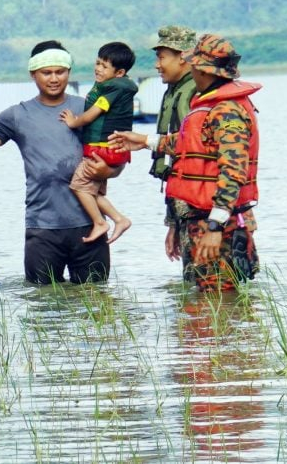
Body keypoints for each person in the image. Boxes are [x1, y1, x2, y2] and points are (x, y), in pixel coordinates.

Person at [109, 34, 260, 291]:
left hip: (217, 223)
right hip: (203, 218)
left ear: (204, 70)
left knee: (217, 298)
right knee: (207, 298)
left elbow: (234, 171)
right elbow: (191, 145)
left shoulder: (226, 110)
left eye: (194, 65)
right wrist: (145, 141)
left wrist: (215, 226)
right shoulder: (213, 105)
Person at [0, 41, 116, 284]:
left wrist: (109, 170)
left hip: (89, 224)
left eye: (60, 72)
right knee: (42, 305)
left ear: (69, 72)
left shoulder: (88, 109)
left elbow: (116, 157)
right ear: (33, 74)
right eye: (47, 73)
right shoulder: (18, 115)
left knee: (97, 301)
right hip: (42, 227)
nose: (54, 79)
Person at [58, 42, 138, 243]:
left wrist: (73, 121)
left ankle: (101, 222)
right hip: (114, 150)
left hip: (104, 149)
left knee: (78, 186)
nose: (98, 69)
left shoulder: (111, 91)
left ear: (119, 73)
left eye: (104, 66)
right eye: (97, 63)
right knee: (91, 190)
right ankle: (120, 219)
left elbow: (92, 114)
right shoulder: (116, 87)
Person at [147, 25, 198, 262]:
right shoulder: (175, 90)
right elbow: (175, 167)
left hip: (199, 207)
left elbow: (193, 147)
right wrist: (173, 224)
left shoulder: (194, 92)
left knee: (207, 285)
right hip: (183, 207)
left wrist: (146, 141)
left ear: (183, 57)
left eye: (162, 57)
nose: (157, 65)